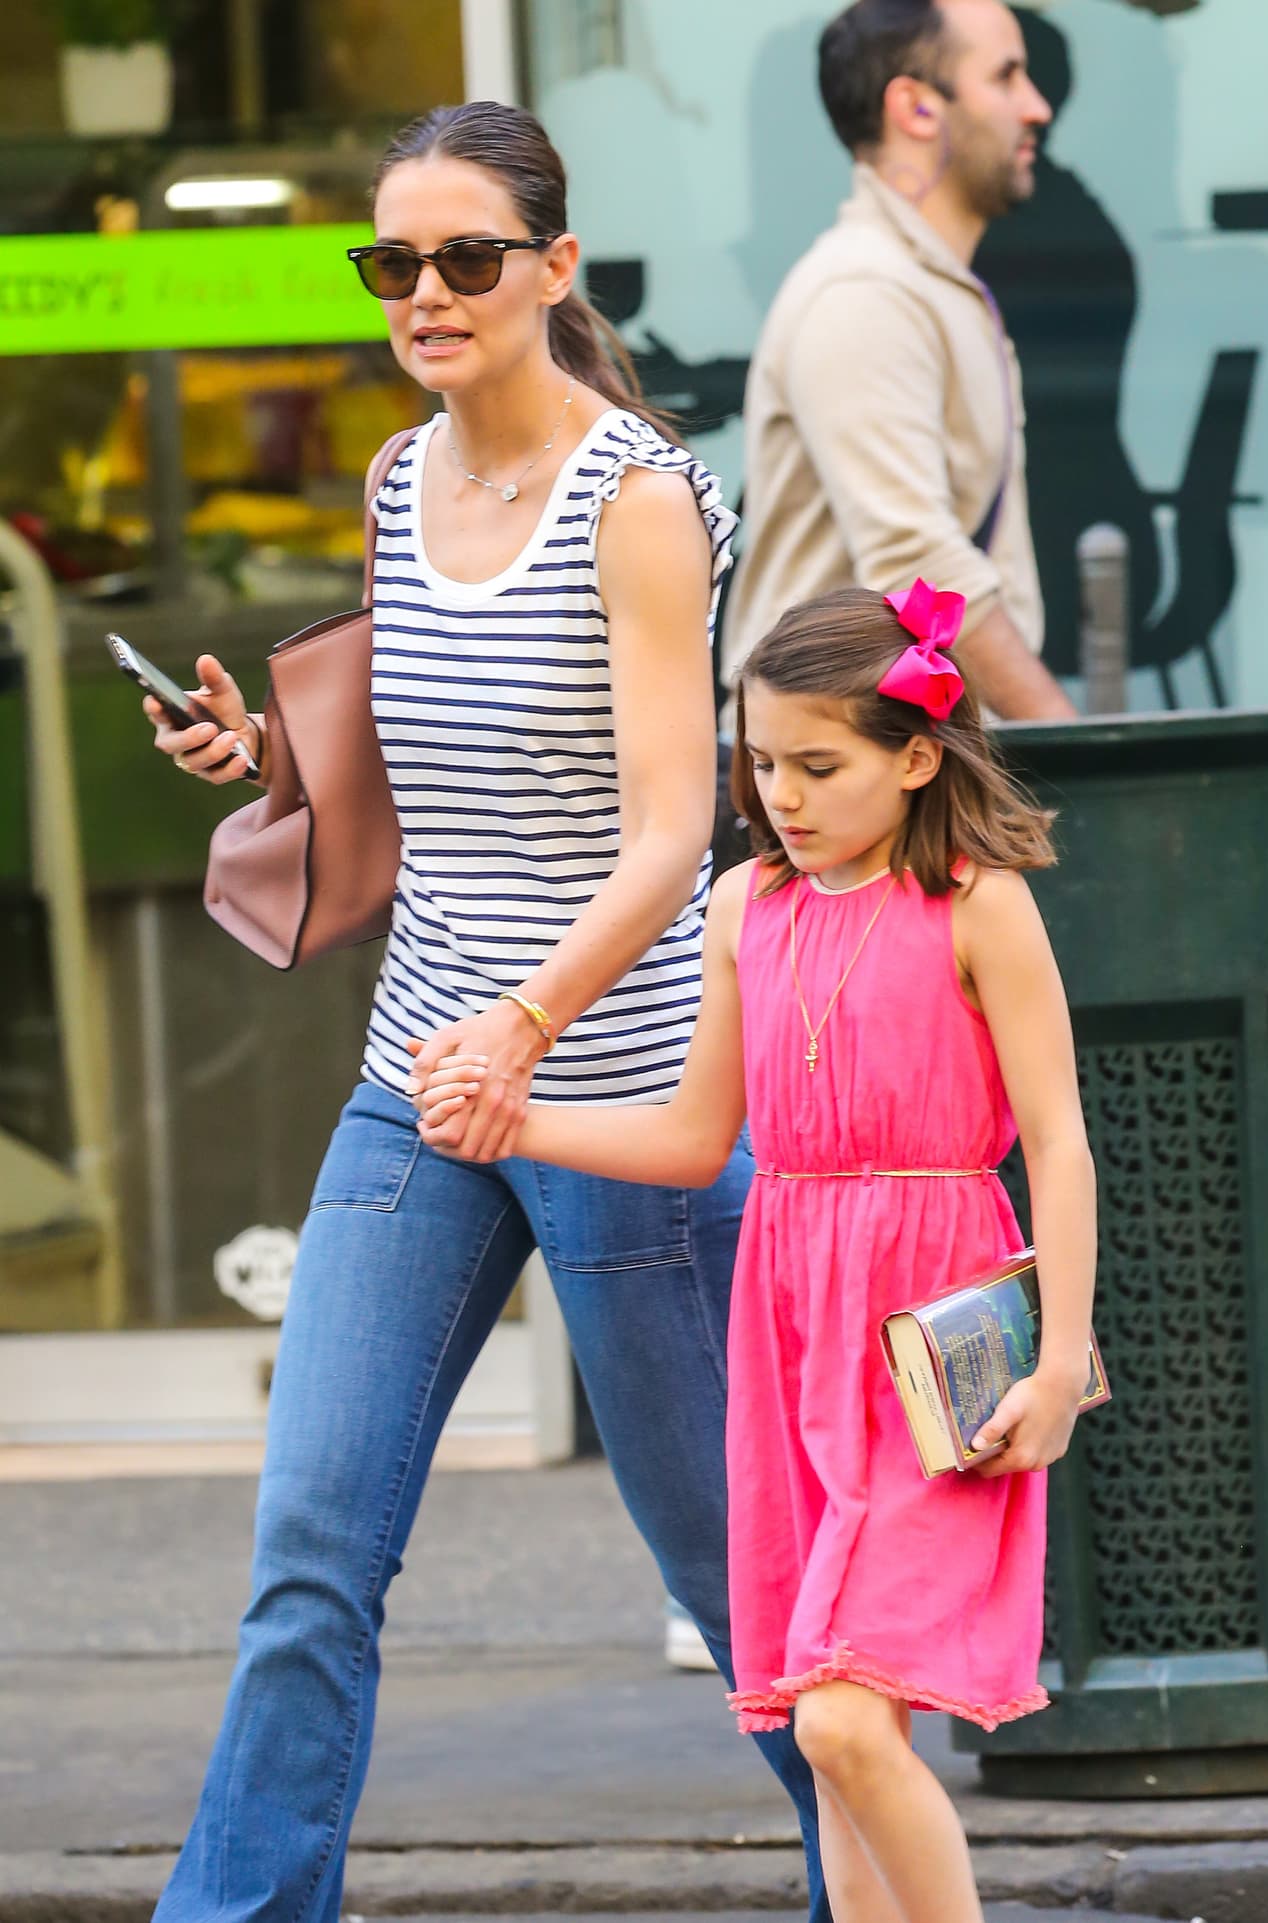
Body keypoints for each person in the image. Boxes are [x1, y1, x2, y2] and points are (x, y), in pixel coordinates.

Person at [140, 101, 830, 1923]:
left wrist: (525, 1027)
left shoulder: (643, 497)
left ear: (553, 268)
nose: (427, 293)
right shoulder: (393, 479)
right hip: (420, 1086)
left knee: (743, 1582)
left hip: (618, 1101)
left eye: (466, 257)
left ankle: (891, 1891)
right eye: (395, 263)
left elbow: (677, 821)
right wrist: (261, 755)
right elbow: (429, 769)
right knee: (309, 1550)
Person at [417, 579, 1098, 1923]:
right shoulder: (746, 906)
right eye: (761, 761)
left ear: (916, 754)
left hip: (934, 1335)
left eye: (818, 763)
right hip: (791, 1331)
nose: (780, 792)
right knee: (827, 1734)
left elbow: (1060, 1142)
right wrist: (519, 1115)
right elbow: (692, 1136)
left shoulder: (980, 900)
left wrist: (1062, 1361)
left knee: (847, 1723)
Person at [723, 0, 1076, 722]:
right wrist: (1071, 752)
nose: (1036, 107)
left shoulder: (918, 287)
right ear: (916, 108)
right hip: (829, 782)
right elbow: (920, 570)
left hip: (878, 769)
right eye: (1006, 77)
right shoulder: (865, 294)